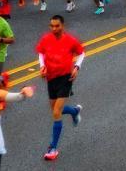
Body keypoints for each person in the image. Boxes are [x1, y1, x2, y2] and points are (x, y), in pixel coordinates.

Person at [35, 15, 84, 161]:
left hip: (65, 78)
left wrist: (76, 67)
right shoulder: (46, 39)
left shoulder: (70, 40)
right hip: (51, 78)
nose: (54, 29)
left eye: (57, 26)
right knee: (57, 110)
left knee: (56, 112)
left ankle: (53, 148)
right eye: (52, 26)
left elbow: (82, 53)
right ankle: (75, 111)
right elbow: (41, 53)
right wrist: (42, 66)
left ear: (63, 25)